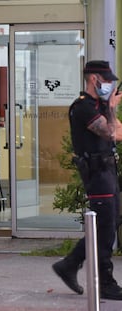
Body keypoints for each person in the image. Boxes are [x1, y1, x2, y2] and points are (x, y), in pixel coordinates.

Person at [52, 60, 122, 300]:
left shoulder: (97, 106)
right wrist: (111, 108)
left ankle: (69, 264)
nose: (111, 85)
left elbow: (119, 133)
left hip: (108, 172)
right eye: (108, 80)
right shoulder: (82, 108)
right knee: (104, 227)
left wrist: (108, 108)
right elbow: (109, 132)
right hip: (97, 174)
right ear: (95, 79)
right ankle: (104, 282)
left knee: (109, 224)